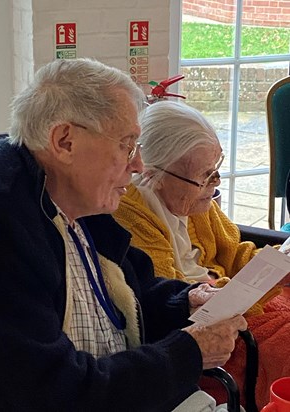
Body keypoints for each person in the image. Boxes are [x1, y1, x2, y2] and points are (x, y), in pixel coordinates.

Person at [0, 58, 247, 412]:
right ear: (65, 141)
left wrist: (186, 301)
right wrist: (188, 353)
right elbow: (55, 392)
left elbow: (135, 289)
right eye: (127, 145)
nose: (138, 164)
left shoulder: (74, 197)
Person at [113, 100, 290, 409]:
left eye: (217, 170)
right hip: (214, 330)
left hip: (244, 302)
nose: (216, 182)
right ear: (153, 174)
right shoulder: (130, 216)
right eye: (206, 175)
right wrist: (260, 284)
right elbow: (176, 301)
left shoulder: (194, 198)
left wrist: (280, 261)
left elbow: (235, 253)